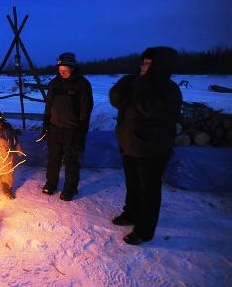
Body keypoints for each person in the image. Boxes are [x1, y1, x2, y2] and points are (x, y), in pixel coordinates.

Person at [109, 46, 182, 245]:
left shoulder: (168, 89)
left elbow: (151, 110)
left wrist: (141, 86)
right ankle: (131, 214)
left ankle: (144, 230)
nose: (143, 66)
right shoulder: (137, 82)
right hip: (130, 144)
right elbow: (116, 101)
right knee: (133, 185)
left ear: (160, 66)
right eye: (143, 62)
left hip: (151, 150)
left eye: (149, 63)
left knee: (149, 191)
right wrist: (125, 85)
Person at [42, 52, 93, 201]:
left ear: (72, 67)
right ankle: (51, 184)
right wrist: (46, 123)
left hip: (73, 129)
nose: (62, 71)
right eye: (60, 68)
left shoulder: (82, 85)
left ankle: (70, 188)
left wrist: (81, 130)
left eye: (65, 68)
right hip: (54, 128)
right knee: (53, 159)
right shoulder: (54, 83)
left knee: (71, 160)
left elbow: (86, 109)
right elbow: (49, 105)